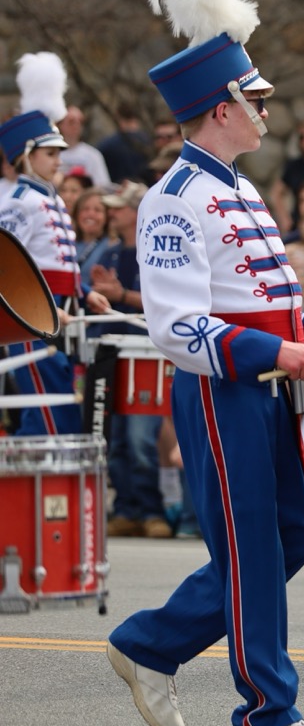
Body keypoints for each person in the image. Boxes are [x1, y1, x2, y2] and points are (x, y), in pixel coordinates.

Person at [106, 0, 304, 726]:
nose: (266, 104)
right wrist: (277, 354)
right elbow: (178, 327)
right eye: (255, 96)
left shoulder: (242, 186)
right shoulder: (173, 198)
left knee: (285, 540)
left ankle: (149, 642)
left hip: (263, 386)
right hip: (221, 392)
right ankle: (267, 715)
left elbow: (267, 303)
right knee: (255, 546)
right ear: (222, 106)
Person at [0, 52, 109, 435]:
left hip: (60, 315)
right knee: (50, 415)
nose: (59, 161)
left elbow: (59, 265)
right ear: (26, 158)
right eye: (50, 154)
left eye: (60, 152)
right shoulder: (21, 203)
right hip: (32, 320)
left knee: (55, 407)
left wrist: (84, 293)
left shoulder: (50, 200)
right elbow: (8, 268)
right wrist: (40, 311)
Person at [92, 182, 172, 539]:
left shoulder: (153, 248)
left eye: (119, 208)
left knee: (140, 437)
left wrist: (120, 294)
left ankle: (151, 509)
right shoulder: (109, 252)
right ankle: (127, 508)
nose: (112, 214)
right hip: (113, 349)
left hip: (144, 351)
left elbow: (165, 298)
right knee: (118, 437)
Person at [269, 116, 304, 235]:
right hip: (301, 225)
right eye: (302, 137)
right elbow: (276, 193)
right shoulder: (294, 166)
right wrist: (284, 219)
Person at [95, 102, 152, 184]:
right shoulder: (147, 141)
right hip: (145, 189)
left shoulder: (107, 145)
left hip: (119, 190)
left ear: (118, 117)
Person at [56, 105, 111, 186]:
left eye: (80, 122)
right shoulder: (51, 153)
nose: (76, 125)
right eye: (71, 121)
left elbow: (102, 186)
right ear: (60, 124)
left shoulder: (93, 155)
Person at [73, 187, 115, 272]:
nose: (91, 214)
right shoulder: (67, 244)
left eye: (97, 210)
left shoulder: (112, 246)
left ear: (107, 217)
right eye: (85, 209)